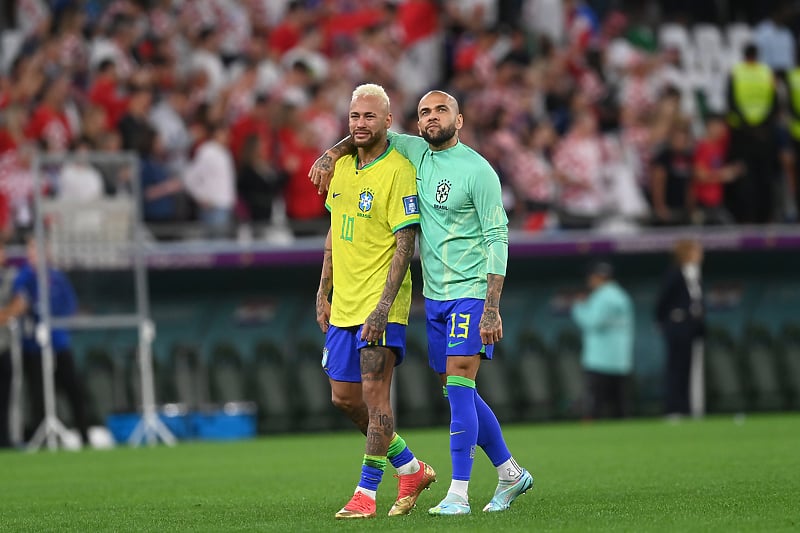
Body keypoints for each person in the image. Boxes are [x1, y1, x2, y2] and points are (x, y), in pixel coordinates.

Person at [310, 90, 533, 516]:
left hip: (470, 291)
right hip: (436, 296)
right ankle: (509, 471)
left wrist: (491, 306)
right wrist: (328, 153)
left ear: (460, 119)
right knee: (454, 388)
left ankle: (458, 493)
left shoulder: (479, 171)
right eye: (425, 112)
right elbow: (366, 132)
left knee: (461, 386)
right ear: (415, 124)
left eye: (441, 110)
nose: (432, 117)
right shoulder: (413, 151)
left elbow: (497, 237)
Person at [315, 84, 435, 520]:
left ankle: (366, 493)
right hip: (343, 303)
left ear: (387, 121)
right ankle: (410, 466)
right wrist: (322, 290)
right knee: (344, 399)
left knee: (375, 394)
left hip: (380, 304)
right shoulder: (343, 167)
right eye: (354, 117)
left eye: (369, 117)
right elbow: (333, 232)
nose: (360, 124)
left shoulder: (399, 170)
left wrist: (384, 307)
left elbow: (406, 244)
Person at [0, 236, 88, 445]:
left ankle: (84, 436)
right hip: (33, 346)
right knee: (37, 395)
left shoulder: (57, 277)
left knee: (73, 389)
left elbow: (70, 307)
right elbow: (18, 304)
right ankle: (41, 440)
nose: (34, 253)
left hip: (59, 343)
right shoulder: (23, 277)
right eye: (30, 249)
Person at [571, 261, 634, 419]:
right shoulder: (621, 295)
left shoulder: (603, 296)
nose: (589, 280)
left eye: (591, 277)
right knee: (619, 406)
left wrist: (578, 306)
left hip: (600, 360)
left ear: (599, 277)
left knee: (595, 407)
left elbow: (592, 322)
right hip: (620, 359)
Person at [655, 239, 705, 418]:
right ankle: (673, 409)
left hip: (692, 326)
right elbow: (662, 301)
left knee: (687, 368)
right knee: (675, 368)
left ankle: (686, 408)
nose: (701, 255)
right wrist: (663, 322)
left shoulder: (695, 274)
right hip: (676, 324)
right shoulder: (675, 273)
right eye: (696, 251)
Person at [0, 243, 18, 447]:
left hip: (4, 345)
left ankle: (4, 438)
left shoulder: (9, 277)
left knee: (6, 397)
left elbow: (20, 303)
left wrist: (6, 313)